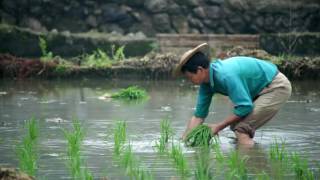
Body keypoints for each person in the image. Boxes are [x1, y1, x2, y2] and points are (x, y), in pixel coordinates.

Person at [175, 43, 292, 145]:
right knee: (236, 126)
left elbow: (245, 107)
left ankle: (252, 164)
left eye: (190, 77)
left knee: (241, 129)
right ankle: (245, 157)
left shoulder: (226, 75)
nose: (189, 80)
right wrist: (184, 140)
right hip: (259, 89)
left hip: (275, 86)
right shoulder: (206, 84)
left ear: (200, 70)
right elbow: (198, 116)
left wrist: (218, 127)